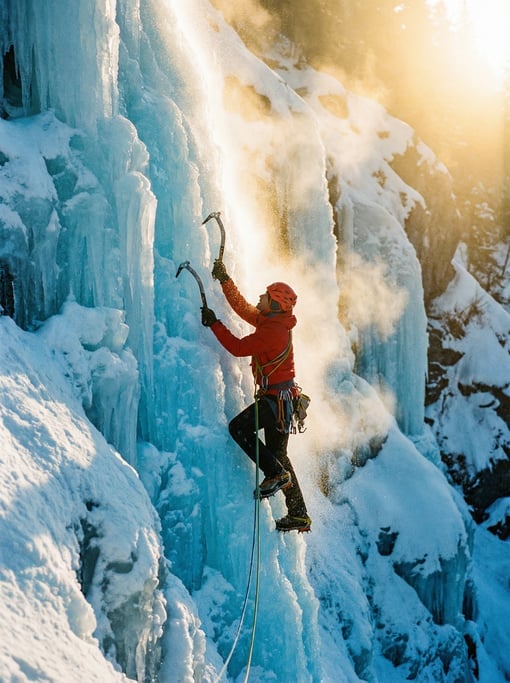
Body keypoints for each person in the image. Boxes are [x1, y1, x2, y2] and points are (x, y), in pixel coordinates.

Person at [200, 259, 311, 533]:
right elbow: (244, 309)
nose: (260, 298)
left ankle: (274, 474)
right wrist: (225, 280)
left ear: (274, 304)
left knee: (238, 428)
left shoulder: (273, 331)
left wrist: (214, 324)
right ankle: (298, 513)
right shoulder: (273, 322)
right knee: (279, 454)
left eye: (265, 296)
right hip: (283, 401)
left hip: (275, 402)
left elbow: (238, 348)